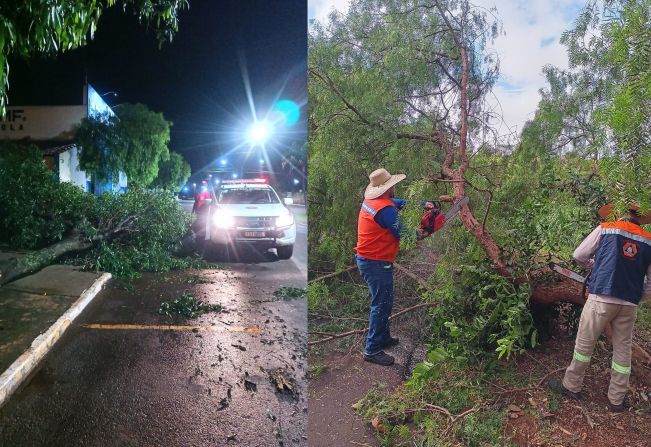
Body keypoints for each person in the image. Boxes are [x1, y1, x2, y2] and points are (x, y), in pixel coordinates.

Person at [552, 204, 651, 412]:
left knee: (585, 344)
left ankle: (571, 386)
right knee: (623, 351)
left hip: (601, 298)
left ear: (618, 211)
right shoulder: (648, 240)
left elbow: (579, 254)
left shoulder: (606, 227)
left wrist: (595, 267)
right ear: (639, 217)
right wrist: (638, 297)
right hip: (629, 305)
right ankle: (616, 399)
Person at [355, 168, 444, 366]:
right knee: (381, 304)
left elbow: (399, 203)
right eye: (393, 185)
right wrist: (427, 231)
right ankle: (372, 350)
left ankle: (383, 337)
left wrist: (423, 205)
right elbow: (405, 235)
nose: (395, 187)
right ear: (388, 187)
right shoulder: (385, 211)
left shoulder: (373, 202)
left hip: (369, 260)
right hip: (375, 262)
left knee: (385, 300)